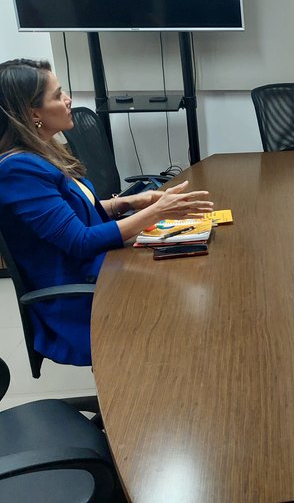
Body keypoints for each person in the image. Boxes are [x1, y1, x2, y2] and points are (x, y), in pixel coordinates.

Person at [0, 59, 213, 366]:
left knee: (191, 271)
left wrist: (128, 203)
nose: (68, 100)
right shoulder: (18, 169)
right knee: (189, 297)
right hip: (81, 300)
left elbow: (71, 211)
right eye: (58, 95)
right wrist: (156, 212)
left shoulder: (41, 152)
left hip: (101, 273)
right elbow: (79, 241)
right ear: (34, 113)